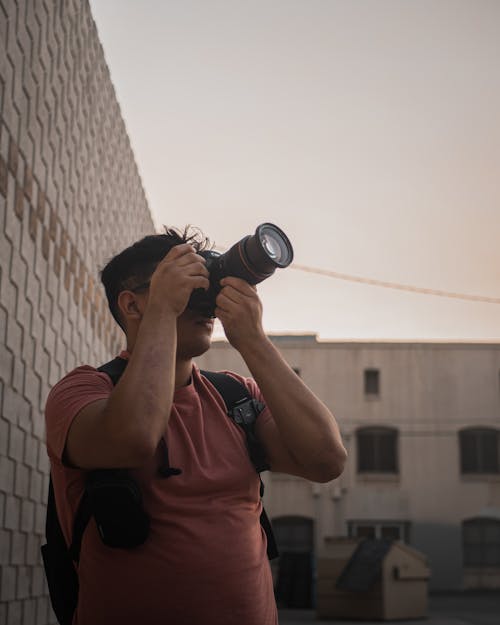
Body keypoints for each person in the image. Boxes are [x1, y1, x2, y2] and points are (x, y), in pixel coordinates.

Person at [45, 226, 347, 625]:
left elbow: (326, 461)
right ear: (133, 306)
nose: (203, 303)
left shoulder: (237, 397)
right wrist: (164, 312)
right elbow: (133, 439)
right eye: (186, 286)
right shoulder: (83, 391)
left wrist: (253, 340)